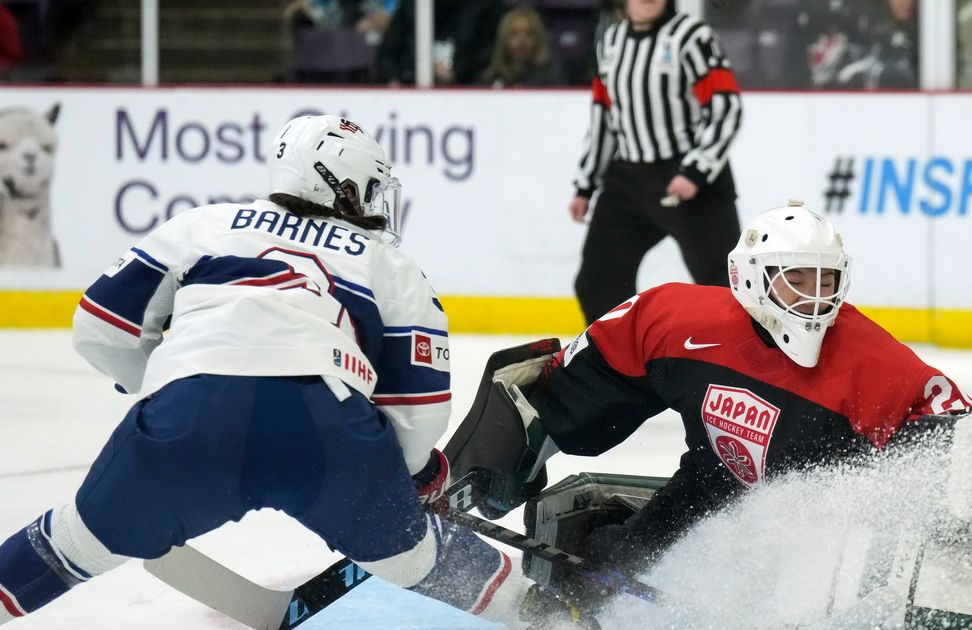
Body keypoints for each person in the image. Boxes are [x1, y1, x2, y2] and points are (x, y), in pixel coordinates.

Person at [0, 115, 590, 628]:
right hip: (327, 433)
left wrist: (166, 385)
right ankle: (558, 619)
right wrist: (409, 476)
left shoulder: (201, 225)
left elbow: (99, 330)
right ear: (346, 184)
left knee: (69, 546)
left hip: (185, 423)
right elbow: (419, 410)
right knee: (418, 558)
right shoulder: (390, 265)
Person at [452, 202, 972, 581]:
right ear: (749, 276)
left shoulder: (871, 360)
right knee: (604, 577)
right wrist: (497, 453)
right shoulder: (674, 319)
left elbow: (958, 442)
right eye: (796, 279)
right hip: (707, 494)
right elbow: (572, 389)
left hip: (824, 539)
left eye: (825, 280)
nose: (815, 297)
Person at [568, 0, 743, 324]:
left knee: (726, 286)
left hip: (689, 180)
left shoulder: (692, 36)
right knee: (597, 282)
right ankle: (618, 366)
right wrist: (585, 185)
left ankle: (737, 364)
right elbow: (604, 119)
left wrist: (696, 170)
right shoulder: (611, 41)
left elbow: (725, 108)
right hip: (629, 180)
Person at [376, 0, 503, 86]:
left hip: (466, 91)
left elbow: (488, 53)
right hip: (410, 88)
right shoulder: (412, 5)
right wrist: (393, 79)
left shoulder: (485, 6)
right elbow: (387, 52)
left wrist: (457, 72)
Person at [480, 6, 564, 88]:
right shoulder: (490, 79)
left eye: (529, 34)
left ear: (538, 39)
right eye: (514, 34)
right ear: (503, 39)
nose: (521, 41)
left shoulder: (552, 80)